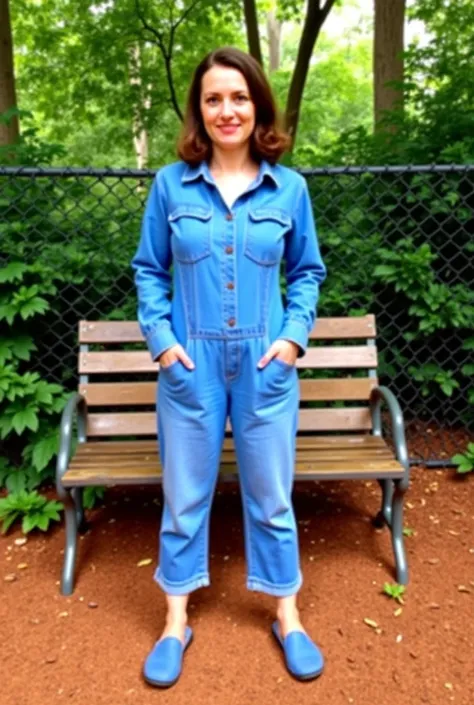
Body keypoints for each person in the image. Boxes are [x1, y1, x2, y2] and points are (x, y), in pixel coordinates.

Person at [131, 46, 327, 688]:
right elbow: (147, 272)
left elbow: (307, 273)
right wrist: (163, 343)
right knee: (186, 499)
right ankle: (175, 622)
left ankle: (287, 615)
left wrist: (293, 340)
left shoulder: (289, 188)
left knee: (271, 498)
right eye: (214, 98)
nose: (227, 110)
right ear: (199, 111)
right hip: (192, 365)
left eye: (239, 97)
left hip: (266, 363)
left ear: (258, 105)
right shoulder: (169, 186)